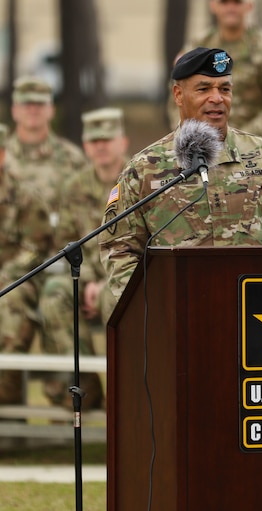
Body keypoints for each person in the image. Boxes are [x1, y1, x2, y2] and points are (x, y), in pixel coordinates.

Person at [99, 47, 262, 302]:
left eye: (224, 89)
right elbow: (119, 249)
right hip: (179, 314)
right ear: (178, 95)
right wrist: (155, 304)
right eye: (203, 89)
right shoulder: (145, 168)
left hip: (258, 312)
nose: (217, 98)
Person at [37, 108, 129, 410]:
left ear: (123, 142)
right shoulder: (74, 188)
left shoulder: (138, 181)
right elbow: (63, 244)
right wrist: (88, 277)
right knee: (54, 293)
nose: (101, 146)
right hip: (85, 277)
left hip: (127, 278)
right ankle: (84, 391)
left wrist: (102, 282)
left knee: (112, 297)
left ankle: (125, 396)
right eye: (94, 141)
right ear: (86, 147)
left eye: (107, 139)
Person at [167, 0, 262, 143]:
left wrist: (240, 138)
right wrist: (187, 131)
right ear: (213, 6)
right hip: (201, 141)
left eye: (237, 2)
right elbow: (178, 95)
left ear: (249, 6)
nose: (231, 8)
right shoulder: (198, 46)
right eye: (224, 2)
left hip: (254, 145)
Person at [0, 123, 54, 404]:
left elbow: (35, 249)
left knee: (10, 302)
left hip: (19, 282)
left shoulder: (25, 197)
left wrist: (6, 276)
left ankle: (6, 404)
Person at [6, 76, 87, 223]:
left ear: (51, 110)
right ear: (14, 111)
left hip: (59, 243)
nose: (33, 109)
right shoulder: (2, 156)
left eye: (40, 103)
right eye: (26, 103)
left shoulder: (72, 158)